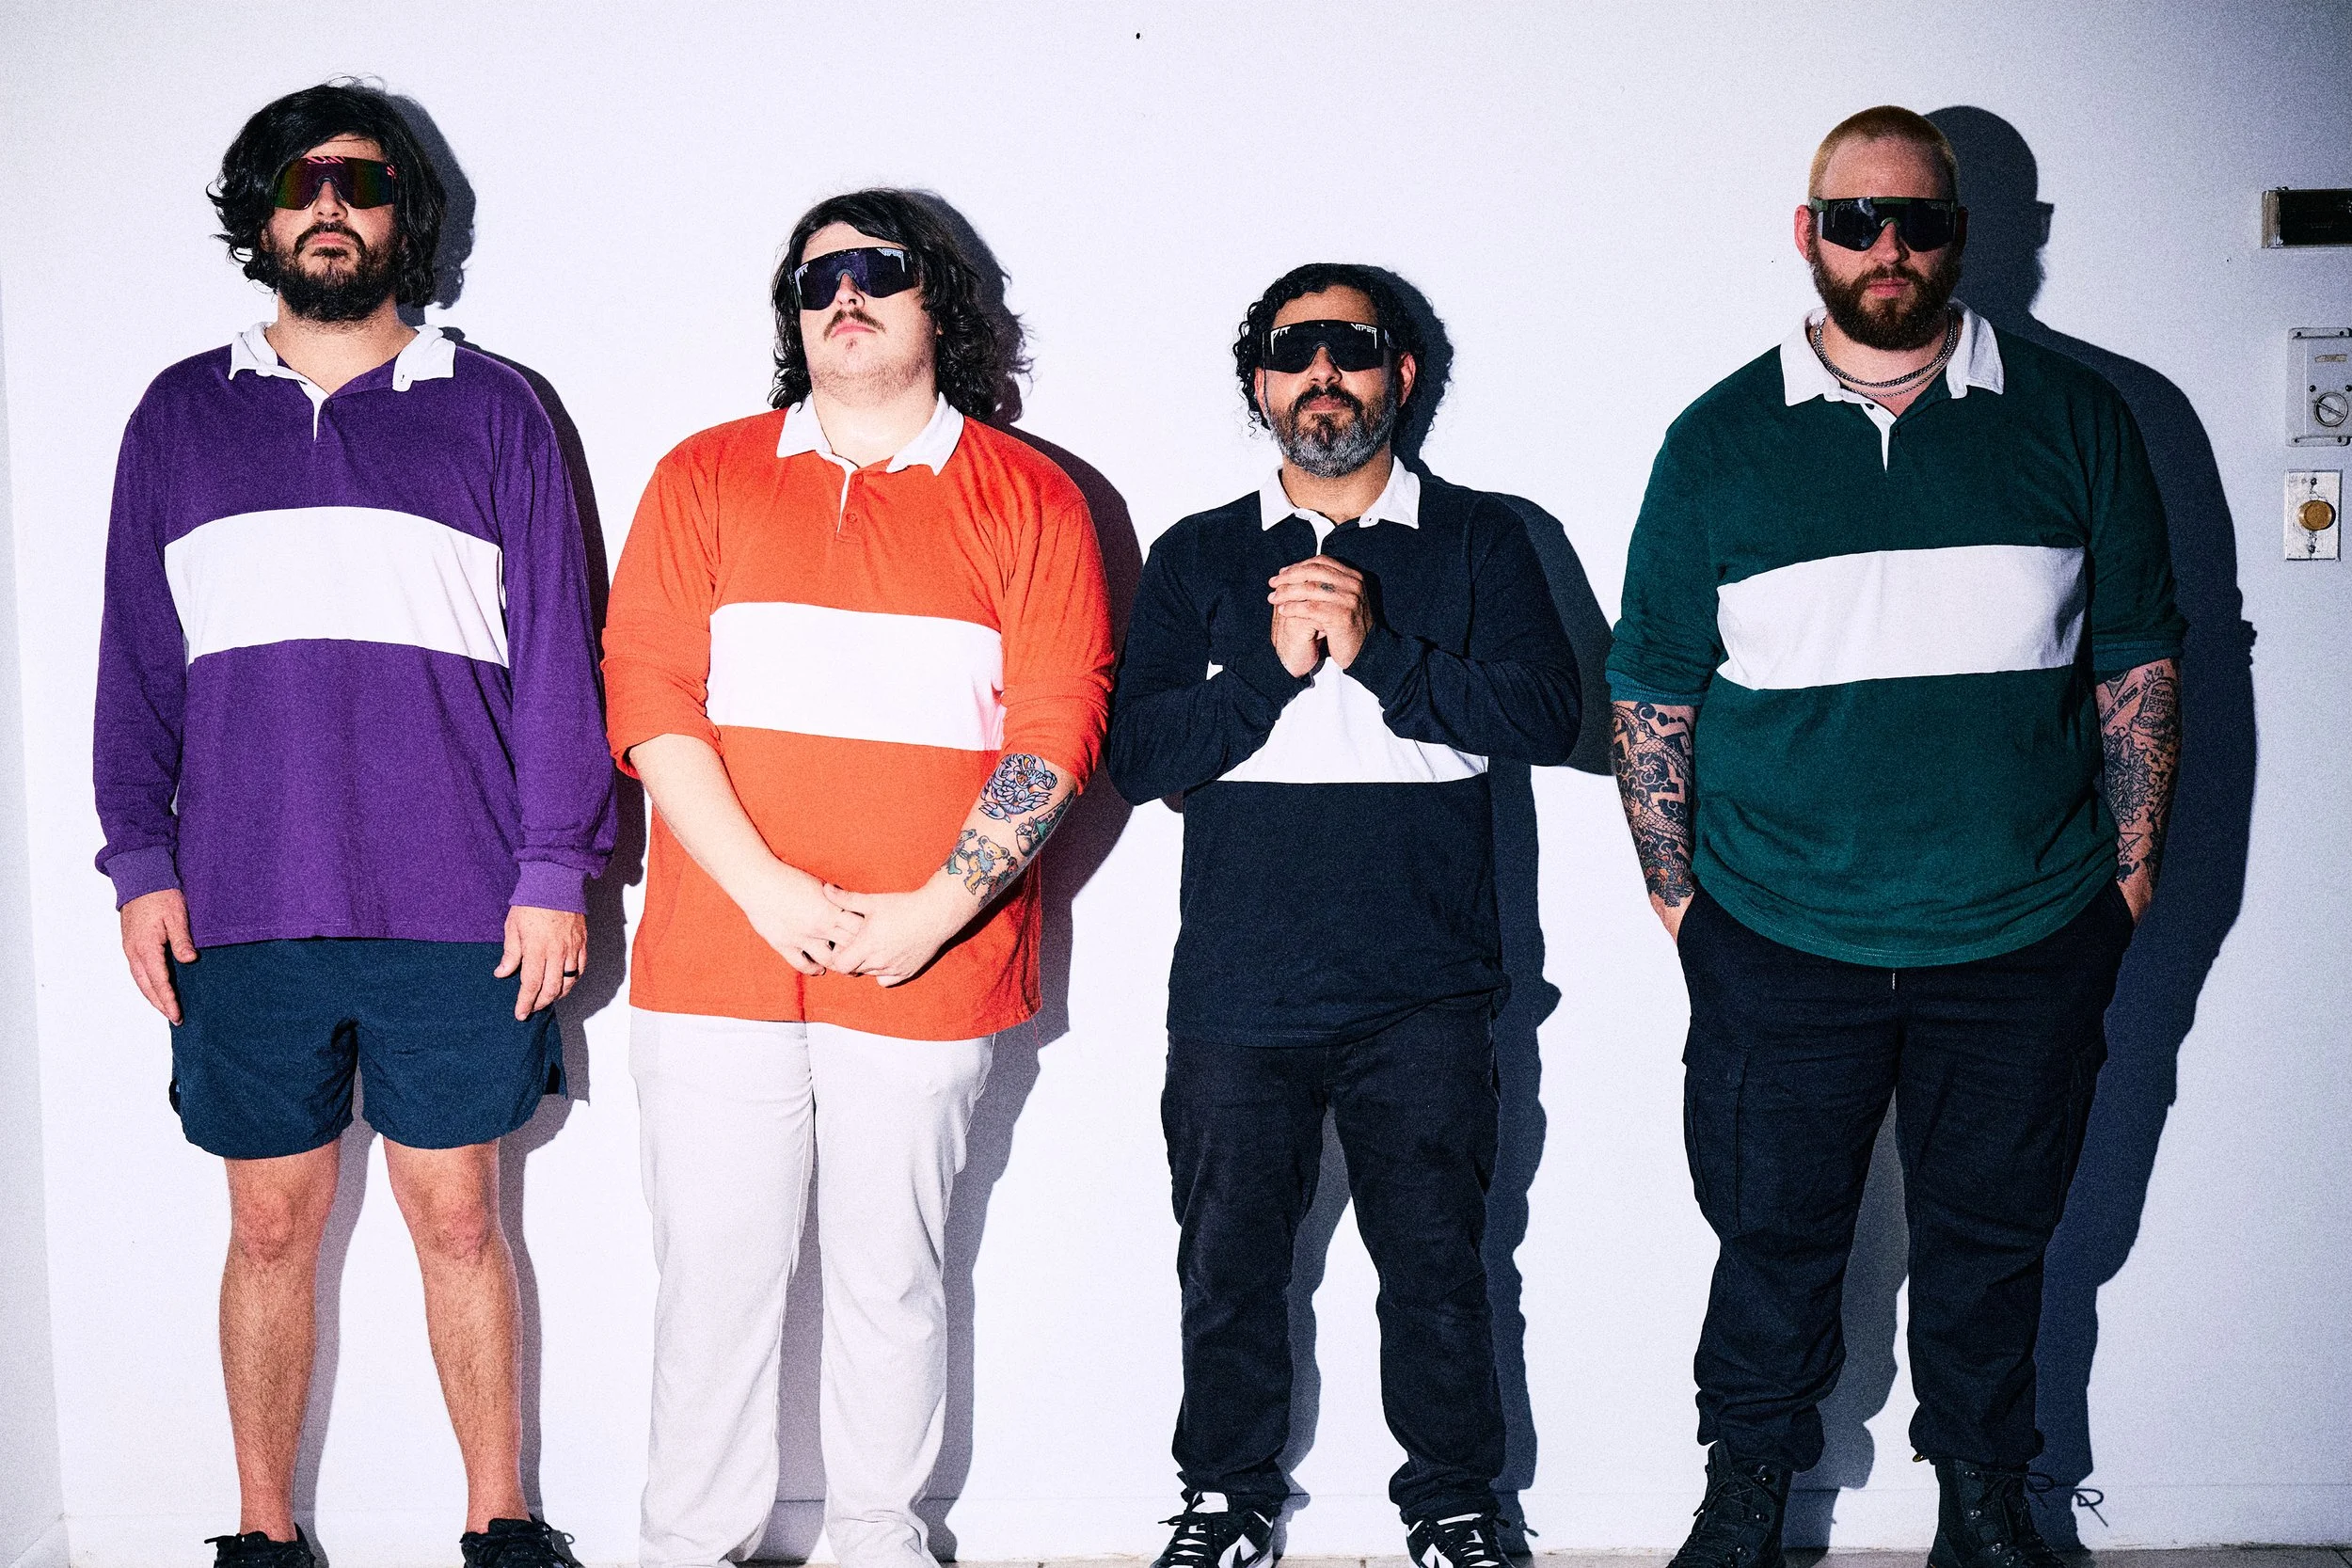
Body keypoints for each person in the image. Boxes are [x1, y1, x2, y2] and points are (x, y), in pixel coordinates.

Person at [1605, 105, 2184, 1568]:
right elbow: (1653, 682)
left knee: (1998, 1243)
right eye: (1855, 219)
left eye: (1917, 220)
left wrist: (2126, 884)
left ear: (1961, 239)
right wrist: (1687, 908)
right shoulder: (1721, 440)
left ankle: (1985, 1502)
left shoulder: (2076, 420)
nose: (1887, 246)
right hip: (1779, 936)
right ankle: (1745, 1495)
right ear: (1808, 234)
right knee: (1770, 1238)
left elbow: (2138, 660)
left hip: (2027, 931)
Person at [93, 81, 614, 1568]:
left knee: (459, 1217)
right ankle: (262, 1533)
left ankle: (499, 1522)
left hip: (459, 899)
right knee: (267, 1229)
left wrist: (552, 867)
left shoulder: (494, 407)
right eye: (298, 180)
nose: (330, 202)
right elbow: (136, 659)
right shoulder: (181, 415)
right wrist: (139, 862)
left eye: (362, 180)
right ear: (260, 214)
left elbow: (560, 660)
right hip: (241, 899)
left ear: (405, 214)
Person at [601, 189, 1113, 1568]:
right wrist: (765, 889)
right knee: (715, 1283)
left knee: (893, 1279)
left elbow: (1058, 727)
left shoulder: (1032, 496)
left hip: (930, 967)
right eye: (815, 273)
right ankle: (687, 1544)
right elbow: (648, 695)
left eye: (879, 269)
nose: (844, 290)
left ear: (939, 300)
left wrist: (936, 913)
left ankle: (880, 1541)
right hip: (718, 958)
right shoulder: (703, 474)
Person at [1104, 264, 1581, 1568]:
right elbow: (1137, 757)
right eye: (1293, 349)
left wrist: (1382, 654)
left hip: (1426, 984)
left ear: (1401, 376)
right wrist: (1265, 669)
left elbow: (1549, 716)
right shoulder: (1201, 551)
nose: (1324, 373)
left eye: (1353, 349)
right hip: (1240, 987)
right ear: (1259, 381)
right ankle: (1226, 1493)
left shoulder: (1483, 537)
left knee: (1441, 1263)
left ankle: (1455, 1500)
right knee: (1228, 1264)